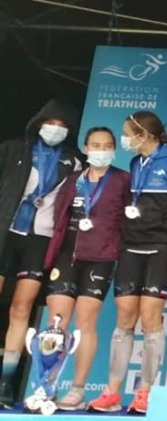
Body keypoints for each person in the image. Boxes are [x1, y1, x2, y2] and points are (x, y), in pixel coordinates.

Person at [87, 111, 167, 414]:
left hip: (162, 247)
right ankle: (111, 392)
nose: (124, 140)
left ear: (144, 135)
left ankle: (145, 393)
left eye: (127, 134)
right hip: (132, 245)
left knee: (150, 317)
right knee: (124, 316)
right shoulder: (136, 163)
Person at [0, 99, 82, 407]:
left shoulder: (73, 162)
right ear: (38, 123)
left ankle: (6, 382)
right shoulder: (12, 149)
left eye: (62, 126)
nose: (55, 130)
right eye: (51, 123)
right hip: (5, 232)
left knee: (22, 308)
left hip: (40, 238)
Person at [42, 127, 130, 410]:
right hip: (67, 256)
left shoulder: (123, 180)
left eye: (107, 145)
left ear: (114, 149)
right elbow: (59, 215)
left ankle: (77, 390)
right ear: (85, 147)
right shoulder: (73, 180)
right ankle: (46, 385)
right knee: (56, 324)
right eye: (95, 145)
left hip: (100, 258)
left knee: (85, 323)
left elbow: (130, 220)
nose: (101, 150)